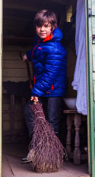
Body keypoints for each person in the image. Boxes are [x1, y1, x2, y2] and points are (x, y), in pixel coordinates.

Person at [21, 9, 67, 162]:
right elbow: (38, 52)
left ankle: (51, 154)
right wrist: (28, 54)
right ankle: (37, 148)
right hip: (41, 88)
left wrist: (36, 91)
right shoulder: (40, 43)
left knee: (52, 121)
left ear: (52, 27)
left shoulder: (55, 48)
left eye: (46, 26)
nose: (42, 29)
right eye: (39, 26)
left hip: (53, 90)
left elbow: (50, 74)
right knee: (30, 113)